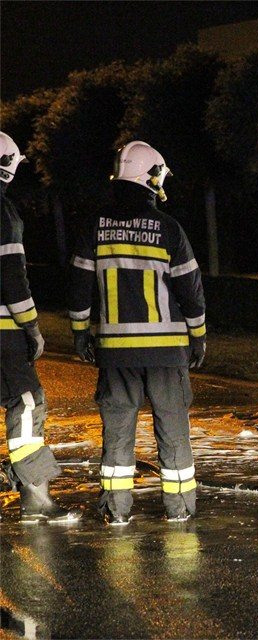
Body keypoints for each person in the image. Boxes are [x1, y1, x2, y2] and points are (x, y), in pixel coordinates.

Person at [69, 141, 206, 525]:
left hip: (116, 355)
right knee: (173, 431)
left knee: (117, 433)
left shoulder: (95, 226)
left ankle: (116, 511)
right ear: (151, 178)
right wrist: (198, 336)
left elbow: (79, 285)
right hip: (166, 353)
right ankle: (180, 510)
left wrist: (80, 332)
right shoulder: (168, 229)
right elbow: (191, 290)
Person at [0, 131, 79, 522]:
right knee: (28, 403)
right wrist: (31, 325)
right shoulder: (3, 213)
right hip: (3, 332)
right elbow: (12, 277)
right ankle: (37, 500)